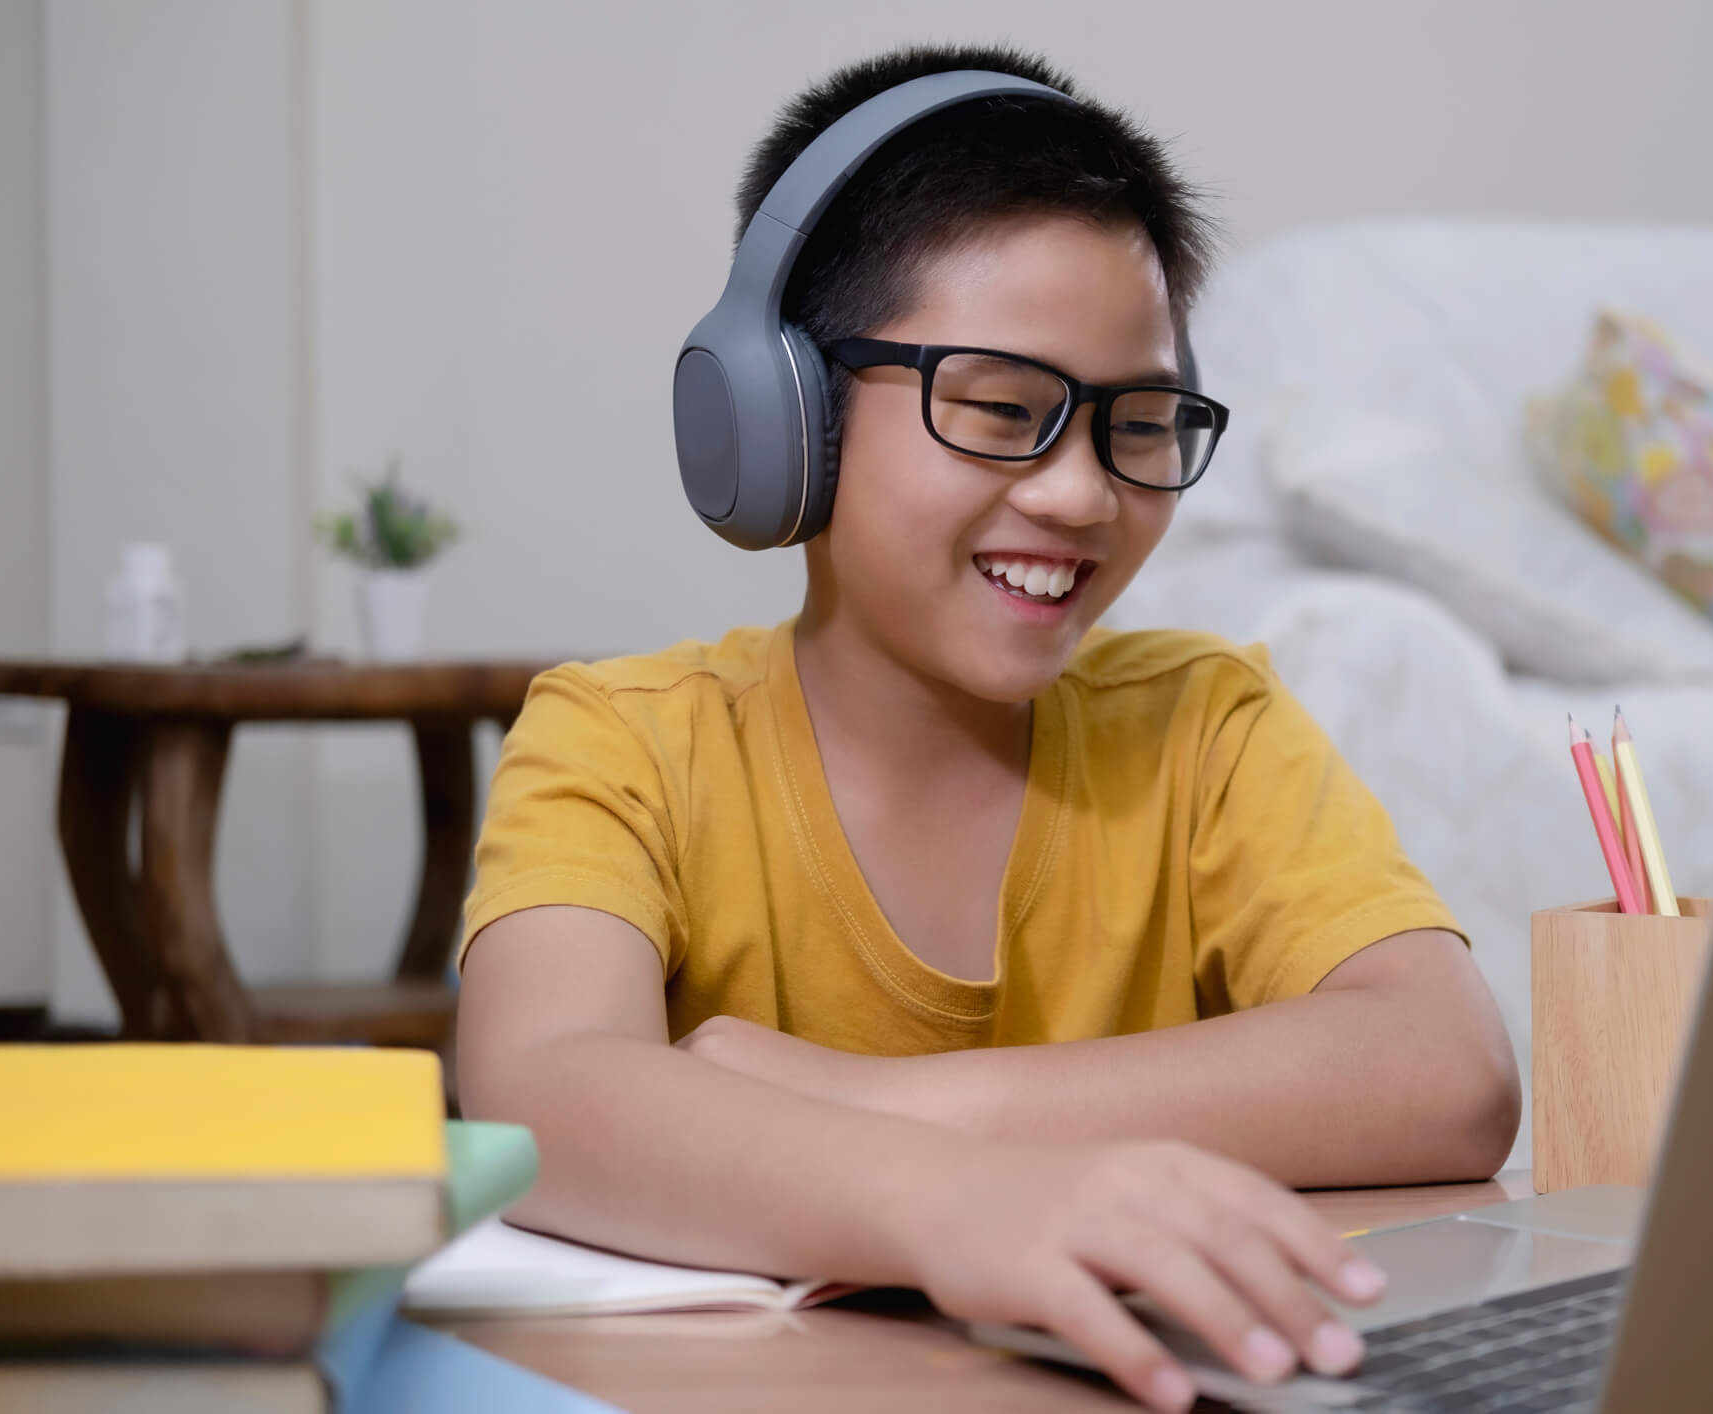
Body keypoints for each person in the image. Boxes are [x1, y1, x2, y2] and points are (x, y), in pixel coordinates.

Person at [455, 43, 1518, 1414]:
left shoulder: (1206, 727)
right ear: (791, 414)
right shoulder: (621, 742)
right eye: (1002, 409)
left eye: (1136, 423)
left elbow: (1445, 1067)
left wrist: (867, 1101)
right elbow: (540, 1090)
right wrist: (948, 1201)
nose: (1079, 494)